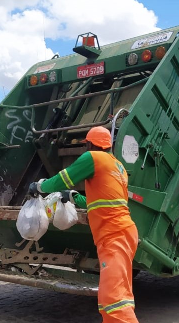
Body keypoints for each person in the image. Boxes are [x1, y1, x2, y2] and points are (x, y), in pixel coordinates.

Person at [28, 126, 139, 323]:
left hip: (114, 235)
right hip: (123, 233)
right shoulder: (118, 166)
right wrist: (73, 196)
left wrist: (39, 186)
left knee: (113, 301)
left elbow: (62, 179)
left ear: (89, 144)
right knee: (118, 296)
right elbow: (101, 201)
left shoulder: (92, 158)